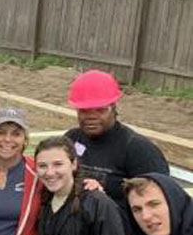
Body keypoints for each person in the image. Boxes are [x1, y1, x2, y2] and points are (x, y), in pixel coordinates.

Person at [65, 70, 168, 203]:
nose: (91, 116)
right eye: (84, 110)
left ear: (113, 108)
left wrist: (104, 204)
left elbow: (159, 203)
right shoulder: (71, 139)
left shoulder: (138, 149)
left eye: (100, 110)